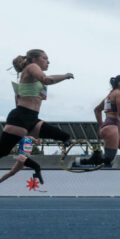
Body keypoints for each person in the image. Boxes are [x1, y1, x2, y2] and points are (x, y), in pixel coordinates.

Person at [0, 49, 74, 178]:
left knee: (64, 136)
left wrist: (65, 75)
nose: (48, 61)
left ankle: (73, 150)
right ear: (34, 59)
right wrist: (65, 76)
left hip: (31, 118)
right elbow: (47, 80)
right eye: (45, 58)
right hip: (22, 116)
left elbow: (18, 97)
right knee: (3, 151)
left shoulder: (31, 77)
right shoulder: (31, 67)